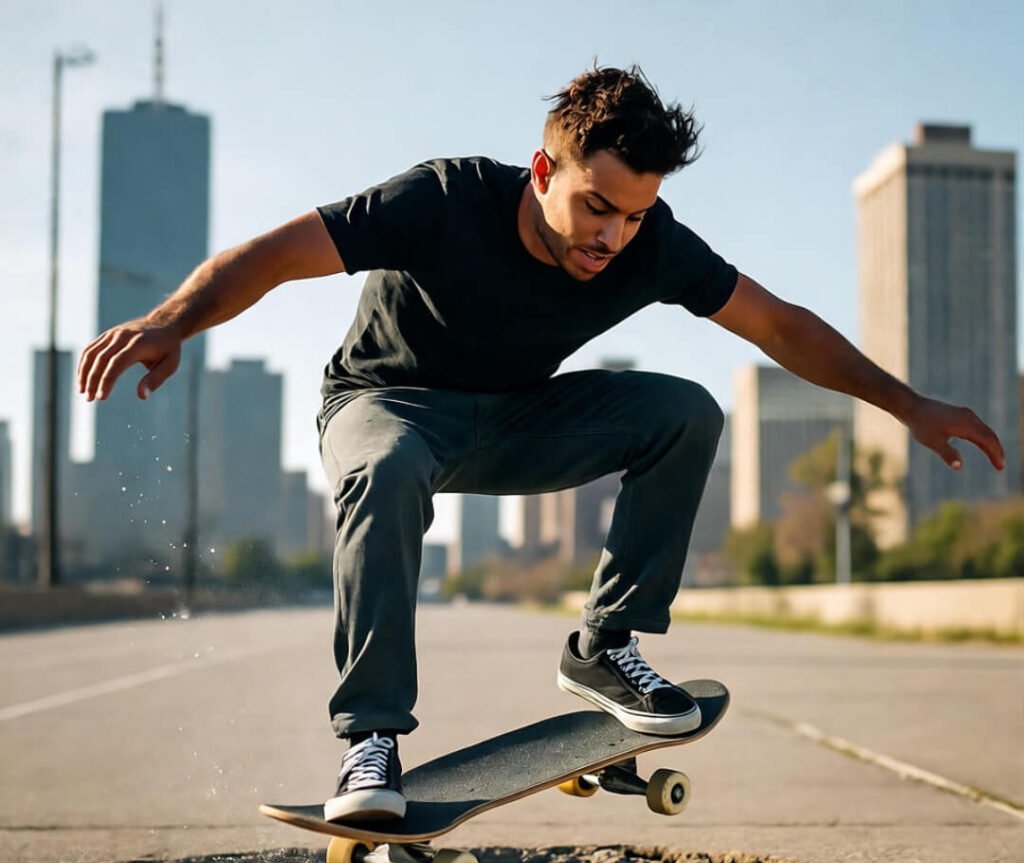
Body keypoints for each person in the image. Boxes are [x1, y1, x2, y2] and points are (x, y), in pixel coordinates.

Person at [77, 65, 1005, 824]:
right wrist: (171, 321)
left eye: (635, 215)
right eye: (597, 206)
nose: (613, 237)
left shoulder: (650, 244)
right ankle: (371, 744)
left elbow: (777, 325)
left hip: (519, 419)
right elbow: (276, 253)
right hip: (388, 404)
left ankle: (604, 648)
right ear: (542, 169)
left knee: (684, 409)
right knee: (388, 465)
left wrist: (906, 402)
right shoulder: (443, 201)